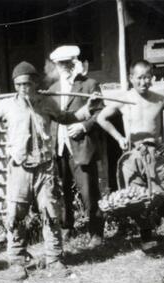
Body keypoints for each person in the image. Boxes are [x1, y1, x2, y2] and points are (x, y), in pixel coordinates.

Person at [0, 61, 94, 280]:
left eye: (27, 83)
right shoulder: (7, 105)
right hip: (19, 169)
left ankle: (54, 259)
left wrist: (87, 109)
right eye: (19, 85)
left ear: (35, 83)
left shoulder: (47, 103)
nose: (24, 88)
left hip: (45, 169)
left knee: (51, 213)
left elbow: (66, 118)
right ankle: (17, 261)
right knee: (16, 215)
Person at [97, 60, 164, 251]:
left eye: (147, 77)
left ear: (152, 79)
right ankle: (147, 239)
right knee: (138, 199)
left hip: (156, 155)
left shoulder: (159, 100)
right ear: (131, 78)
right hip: (133, 157)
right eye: (139, 77)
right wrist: (119, 138)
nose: (144, 82)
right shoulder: (124, 99)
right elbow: (101, 118)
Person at [48, 45, 104, 247]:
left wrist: (83, 126)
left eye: (67, 63)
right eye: (60, 64)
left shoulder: (89, 85)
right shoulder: (52, 90)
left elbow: (100, 114)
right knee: (62, 191)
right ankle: (67, 228)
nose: (64, 67)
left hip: (81, 147)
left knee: (89, 191)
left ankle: (96, 232)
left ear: (75, 63)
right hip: (59, 147)